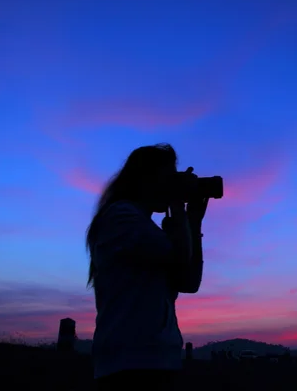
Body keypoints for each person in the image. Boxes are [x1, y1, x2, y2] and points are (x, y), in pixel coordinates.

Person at [85, 143, 208, 390]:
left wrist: (193, 222)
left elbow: (189, 282)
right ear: (146, 179)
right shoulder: (121, 217)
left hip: (156, 361)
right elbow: (181, 258)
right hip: (129, 364)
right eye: (169, 177)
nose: (173, 183)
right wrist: (177, 204)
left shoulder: (146, 227)